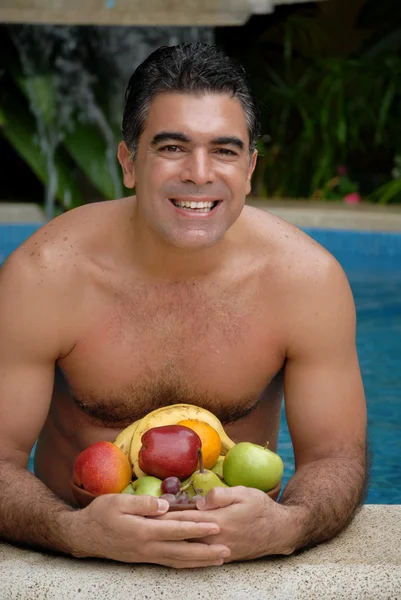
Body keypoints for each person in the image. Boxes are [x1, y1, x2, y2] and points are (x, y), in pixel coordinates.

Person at [0, 43, 367, 568]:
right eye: (172, 147)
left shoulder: (305, 282)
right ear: (128, 161)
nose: (199, 173)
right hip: (80, 566)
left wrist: (289, 526)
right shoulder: (45, 277)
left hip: (237, 568)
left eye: (224, 150)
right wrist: (72, 533)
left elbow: (336, 458)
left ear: (250, 168)